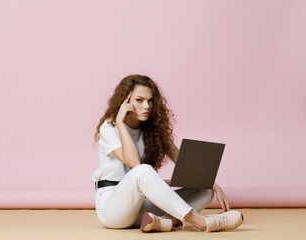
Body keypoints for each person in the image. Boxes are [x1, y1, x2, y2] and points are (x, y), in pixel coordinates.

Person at [92, 74, 244, 232]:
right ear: (125, 101)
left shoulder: (151, 130)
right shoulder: (109, 127)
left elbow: (180, 159)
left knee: (206, 191)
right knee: (142, 170)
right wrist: (120, 122)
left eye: (150, 101)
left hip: (143, 206)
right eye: (139, 100)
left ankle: (165, 223)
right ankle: (200, 222)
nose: (147, 106)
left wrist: (213, 185)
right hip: (113, 208)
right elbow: (134, 163)